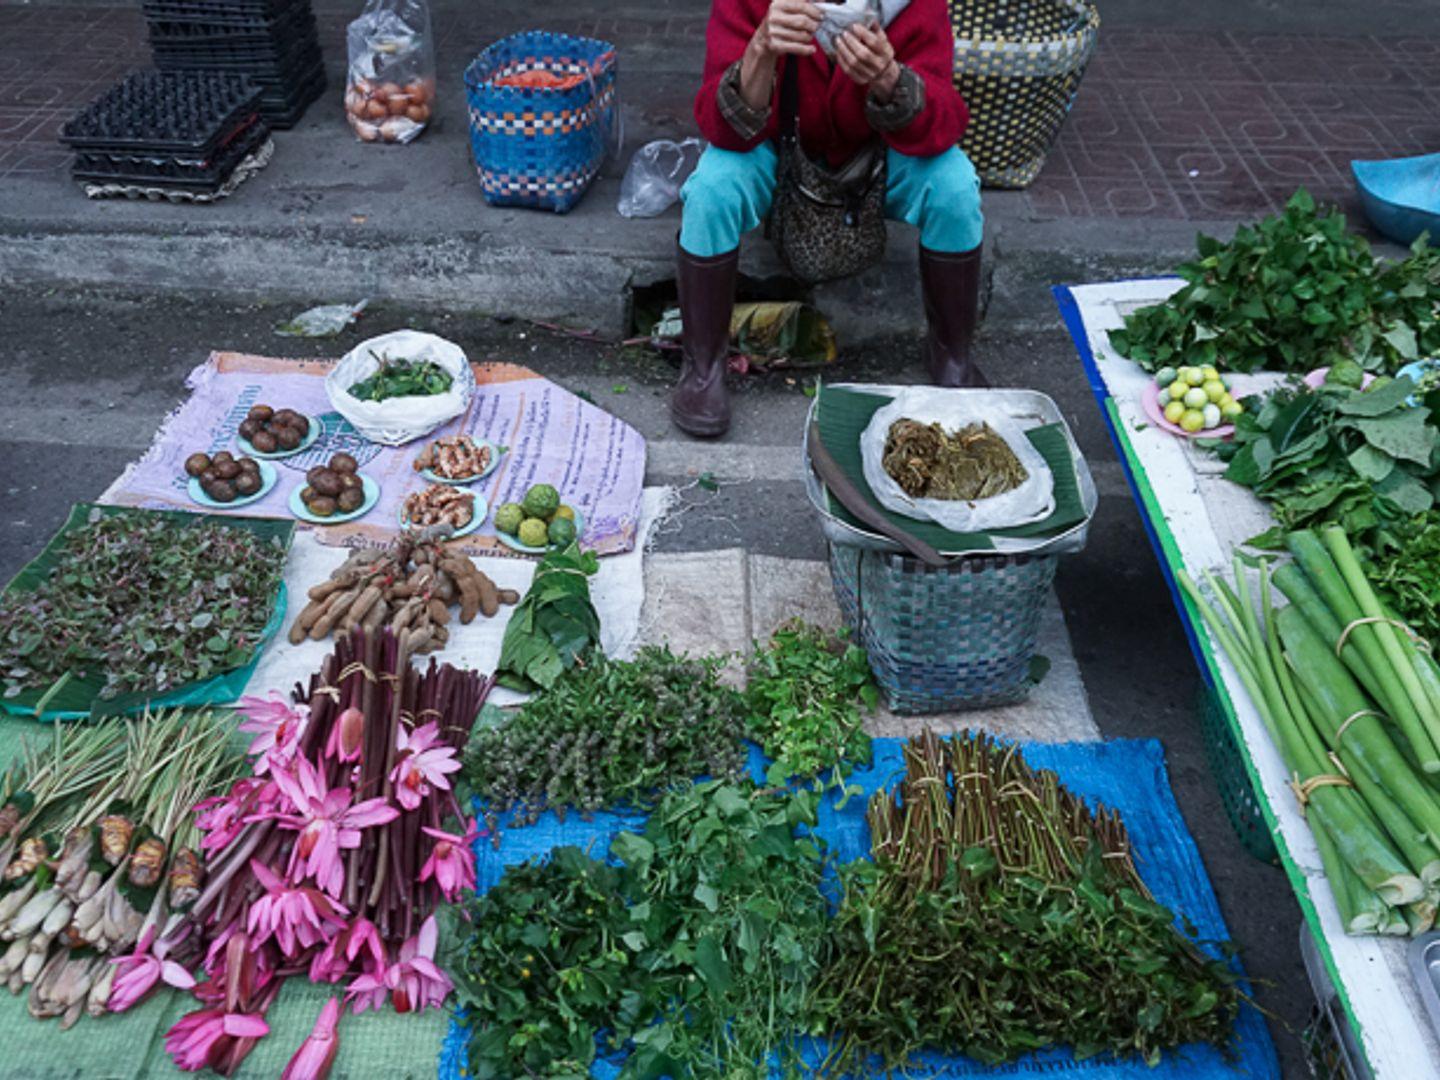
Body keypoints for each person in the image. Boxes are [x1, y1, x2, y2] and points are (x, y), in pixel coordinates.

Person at [672, 0, 985, 438]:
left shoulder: (914, 6)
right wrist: (761, 48)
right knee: (711, 189)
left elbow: (947, 123)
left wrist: (891, 80)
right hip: (776, 153)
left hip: (878, 156)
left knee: (954, 186)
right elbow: (719, 126)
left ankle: (952, 354)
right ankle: (703, 368)